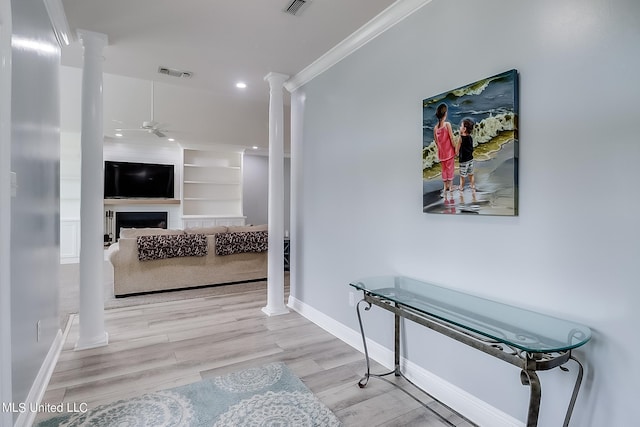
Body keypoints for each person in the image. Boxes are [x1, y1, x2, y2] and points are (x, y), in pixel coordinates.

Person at [434, 103, 457, 196]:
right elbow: (451, 138)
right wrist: (455, 148)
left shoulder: (435, 128)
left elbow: (436, 142)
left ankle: (445, 186)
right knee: (450, 168)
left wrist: (441, 149)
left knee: (443, 169)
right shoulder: (447, 124)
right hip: (449, 152)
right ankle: (450, 186)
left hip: (442, 153)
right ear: (445, 113)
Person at [457, 118, 475, 191]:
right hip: (470, 159)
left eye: (461, 126)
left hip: (463, 160)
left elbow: (456, 150)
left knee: (462, 176)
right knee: (471, 174)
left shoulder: (460, 138)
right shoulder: (470, 137)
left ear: (464, 129)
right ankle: (472, 185)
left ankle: (461, 187)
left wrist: (456, 153)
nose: (460, 128)